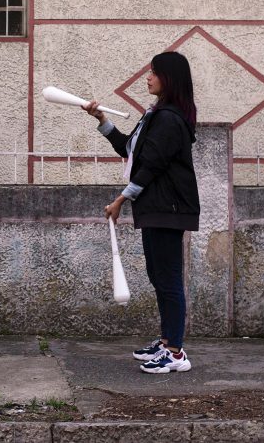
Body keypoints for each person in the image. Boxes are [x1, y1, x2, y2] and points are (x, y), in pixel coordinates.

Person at [84, 51, 200, 374]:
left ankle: (175, 353)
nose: (147, 78)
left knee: (168, 279)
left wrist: (121, 199)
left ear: (169, 79)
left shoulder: (169, 118)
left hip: (168, 208)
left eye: (153, 73)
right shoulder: (155, 115)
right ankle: (167, 341)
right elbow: (128, 149)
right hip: (156, 208)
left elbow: (151, 167)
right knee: (158, 276)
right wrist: (101, 120)